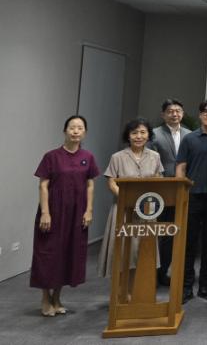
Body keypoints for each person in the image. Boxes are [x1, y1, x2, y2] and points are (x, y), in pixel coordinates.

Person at [32, 115, 99, 317]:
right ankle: (45, 297)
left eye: (80, 128)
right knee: (48, 253)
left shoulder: (88, 156)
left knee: (69, 253)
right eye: (72, 127)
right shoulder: (51, 156)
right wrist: (45, 212)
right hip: (53, 211)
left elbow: (90, 185)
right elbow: (43, 185)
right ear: (65, 131)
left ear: (84, 132)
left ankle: (57, 297)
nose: (76, 131)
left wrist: (89, 210)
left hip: (76, 213)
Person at [97, 118, 164, 278]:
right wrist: (128, 199)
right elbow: (111, 182)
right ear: (128, 136)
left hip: (147, 211)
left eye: (142, 132)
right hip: (123, 209)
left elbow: (159, 179)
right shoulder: (117, 157)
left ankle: (137, 293)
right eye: (134, 133)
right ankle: (121, 294)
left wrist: (145, 201)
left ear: (148, 135)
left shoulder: (155, 156)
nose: (139, 136)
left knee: (143, 251)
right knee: (121, 252)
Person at [175, 99, 207, 303]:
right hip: (192, 196)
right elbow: (180, 168)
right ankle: (186, 287)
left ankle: (206, 285)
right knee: (189, 244)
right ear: (200, 115)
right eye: (205, 112)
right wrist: (179, 192)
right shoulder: (189, 138)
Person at [149, 99, 192, 286]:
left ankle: (173, 270)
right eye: (170, 111)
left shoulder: (189, 135)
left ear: (182, 113)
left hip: (184, 189)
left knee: (180, 233)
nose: (174, 114)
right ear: (163, 115)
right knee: (162, 232)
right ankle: (158, 271)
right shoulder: (154, 134)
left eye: (178, 111)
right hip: (161, 190)